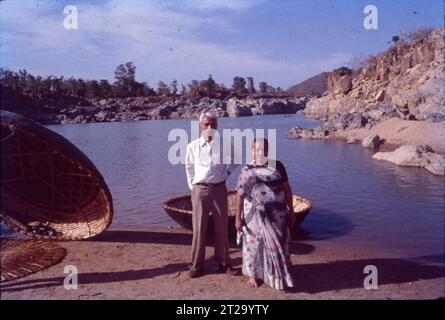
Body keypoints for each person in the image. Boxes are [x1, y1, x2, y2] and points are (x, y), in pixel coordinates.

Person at [235, 138, 296, 290]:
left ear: (268, 151)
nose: (261, 152)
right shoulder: (247, 170)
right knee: (254, 244)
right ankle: (253, 275)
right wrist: (238, 218)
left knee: (279, 244)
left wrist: (292, 211)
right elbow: (240, 195)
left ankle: (275, 274)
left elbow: (287, 189)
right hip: (254, 216)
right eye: (257, 149)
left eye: (264, 149)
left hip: (278, 215)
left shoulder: (278, 166)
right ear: (252, 151)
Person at [185, 111, 238, 278]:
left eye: (213, 125)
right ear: (200, 126)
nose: (210, 127)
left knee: (221, 227)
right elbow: (189, 168)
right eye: (206, 124)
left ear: (217, 126)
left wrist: (226, 174)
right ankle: (196, 265)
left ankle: (224, 262)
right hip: (199, 190)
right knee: (199, 228)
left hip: (219, 189)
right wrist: (193, 186)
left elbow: (236, 159)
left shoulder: (225, 144)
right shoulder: (192, 146)